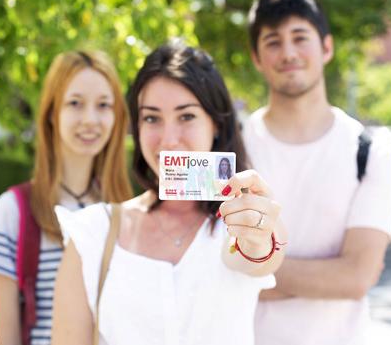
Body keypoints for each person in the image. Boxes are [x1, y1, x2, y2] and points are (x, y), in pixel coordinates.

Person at [52, 41, 288, 345]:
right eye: (151, 118)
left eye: (186, 116)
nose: (169, 139)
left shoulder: (238, 223)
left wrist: (259, 234)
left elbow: (261, 256)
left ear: (216, 123)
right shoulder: (94, 231)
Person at [243, 0, 391, 345]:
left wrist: (255, 270)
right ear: (256, 57)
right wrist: (327, 278)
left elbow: (357, 277)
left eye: (300, 38)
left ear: (326, 47)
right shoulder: (232, 147)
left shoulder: (370, 151)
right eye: (273, 42)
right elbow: (211, 266)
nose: (289, 53)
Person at [0, 50, 133, 345]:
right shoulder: (13, 211)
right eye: (75, 103)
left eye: (103, 105)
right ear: (51, 112)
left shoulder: (126, 211)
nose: (90, 119)